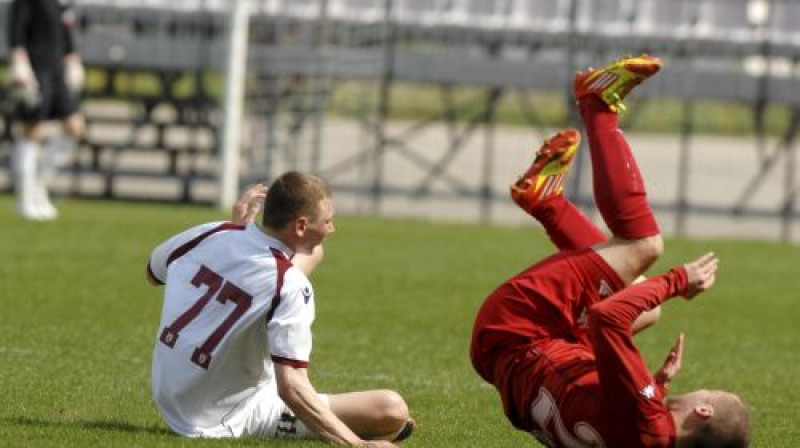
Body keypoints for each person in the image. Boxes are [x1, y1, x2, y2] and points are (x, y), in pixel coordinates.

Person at [470, 55, 751, 448]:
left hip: (519, 328)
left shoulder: (647, 418)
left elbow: (606, 319)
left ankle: (598, 105)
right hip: (506, 365)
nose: (697, 391)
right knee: (648, 309)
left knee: (644, 246)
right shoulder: (652, 436)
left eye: (707, 393)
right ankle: (546, 202)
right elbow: (615, 418)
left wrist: (678, 279)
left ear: (703, 411)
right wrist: (654, 383)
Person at [146, 172, 414, 446]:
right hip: (222, 416)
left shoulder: (212, 232)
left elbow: (153, 273)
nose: (332, 229)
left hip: (169, 392)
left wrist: (236, 230)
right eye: (327, 221)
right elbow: (291, 388)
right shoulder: (290, 285)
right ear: (300, 226)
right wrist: (356, 445)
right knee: (391, 410)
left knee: (312, 255)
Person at [7, 0, 86, 220]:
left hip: (57, 69)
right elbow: (16, 30)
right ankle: (24, 196)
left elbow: (66, 29)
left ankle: (39, 185)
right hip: (34, 67)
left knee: (75, 128)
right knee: (32, 132)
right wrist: (19, 63)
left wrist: (73, 60)